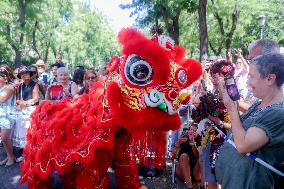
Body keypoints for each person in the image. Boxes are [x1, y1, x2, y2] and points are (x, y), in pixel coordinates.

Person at [215, 54, 284, 189]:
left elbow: (243, 146)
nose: (247, 83)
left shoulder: (278, 113)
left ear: (270, 78)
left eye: (251, 77)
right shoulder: (261, 103)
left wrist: (232, 109)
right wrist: (230, 100)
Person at [14, 66, 40, 162]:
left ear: (29, 73)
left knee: (30, 129)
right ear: (20, 75)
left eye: (26, 72)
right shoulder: (20, 86)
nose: (24, 74)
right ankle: (23, 152)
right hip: (22, 109)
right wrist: (19, 103)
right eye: (22, 73)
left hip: (32, 108)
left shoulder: (35, 84)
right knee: (19, 128)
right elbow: (17, 99)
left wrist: (25, 103)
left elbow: (36, 98)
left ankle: (32, 153)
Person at [171, 123, 201, 189]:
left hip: (196, 173)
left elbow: (198, 155)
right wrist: (178, 144)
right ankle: (190, 187)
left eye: (194, 130)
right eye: (190, 129)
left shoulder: (200, 141)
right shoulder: (183, 139)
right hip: (182, 172)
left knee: (201, 158)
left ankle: (204, 185)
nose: (192, 131)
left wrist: (192, 143)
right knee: (184, 156)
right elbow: (172, 157)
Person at [0, 65, 16, 167]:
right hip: (1, 115)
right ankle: (9, 156)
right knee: (4, 138)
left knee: (5, 138)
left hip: (8, 115)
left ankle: (11, 158)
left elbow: (2, 100)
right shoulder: (1, 87)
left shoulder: (10, 87)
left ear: (5, 78)